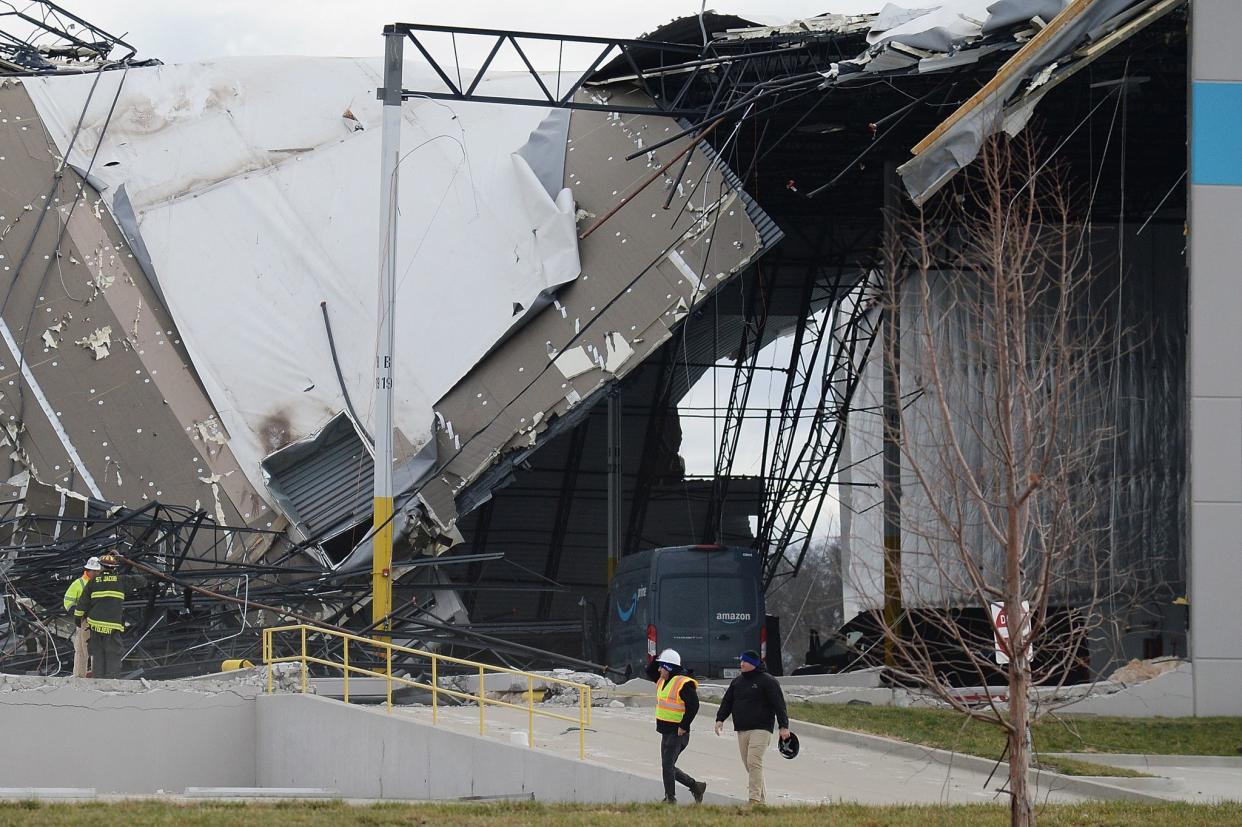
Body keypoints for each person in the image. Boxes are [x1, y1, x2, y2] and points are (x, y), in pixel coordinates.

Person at [713, 650, 790, 805]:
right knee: (749, 764)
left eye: (745, 661)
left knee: (754, 761)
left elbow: (779, 705)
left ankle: (753, 799)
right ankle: (761, 802)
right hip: (742, 729)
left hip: (761, 728)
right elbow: (727, 701)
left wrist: (783, 726)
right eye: (741, 661)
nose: (741, 664)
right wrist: (720, 719)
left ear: (754, 664)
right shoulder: (737, 682)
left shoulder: (768, 681)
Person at [644, 648, 708, 804]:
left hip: (678, 732)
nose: (659, 670)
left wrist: (684, 726)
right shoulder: (662, 680)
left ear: (669, 668)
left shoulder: (683, 683)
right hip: (666, 731)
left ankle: (670, 799)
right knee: (668, 766)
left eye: (662, 667)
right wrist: (659, 658)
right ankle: (695, 786)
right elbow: (649, 670)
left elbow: (694, 705)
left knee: (667, 765)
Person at [75, 553, 145, 679]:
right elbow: (142, 581)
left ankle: (98, 678)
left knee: (97, 653)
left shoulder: (93, 582)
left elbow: (82, 603)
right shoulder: (121, 580)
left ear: (101, 567)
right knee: (113, 653)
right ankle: (112, 678)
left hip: (95, 625)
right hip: (113, 626)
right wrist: (128, 566)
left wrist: (77, 619)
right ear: (114, 568)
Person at [62, 556, 102, 677]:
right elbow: (67, 601)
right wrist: (77, 612)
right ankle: (79, 676)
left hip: (96, 620)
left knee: (93, 649)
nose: (97, 573)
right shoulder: (78, 583)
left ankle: (96, 674)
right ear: (89, 570)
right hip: (83, 621)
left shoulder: (99, 583)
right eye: (96, 571)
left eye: (98, 571)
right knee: (80, 649)